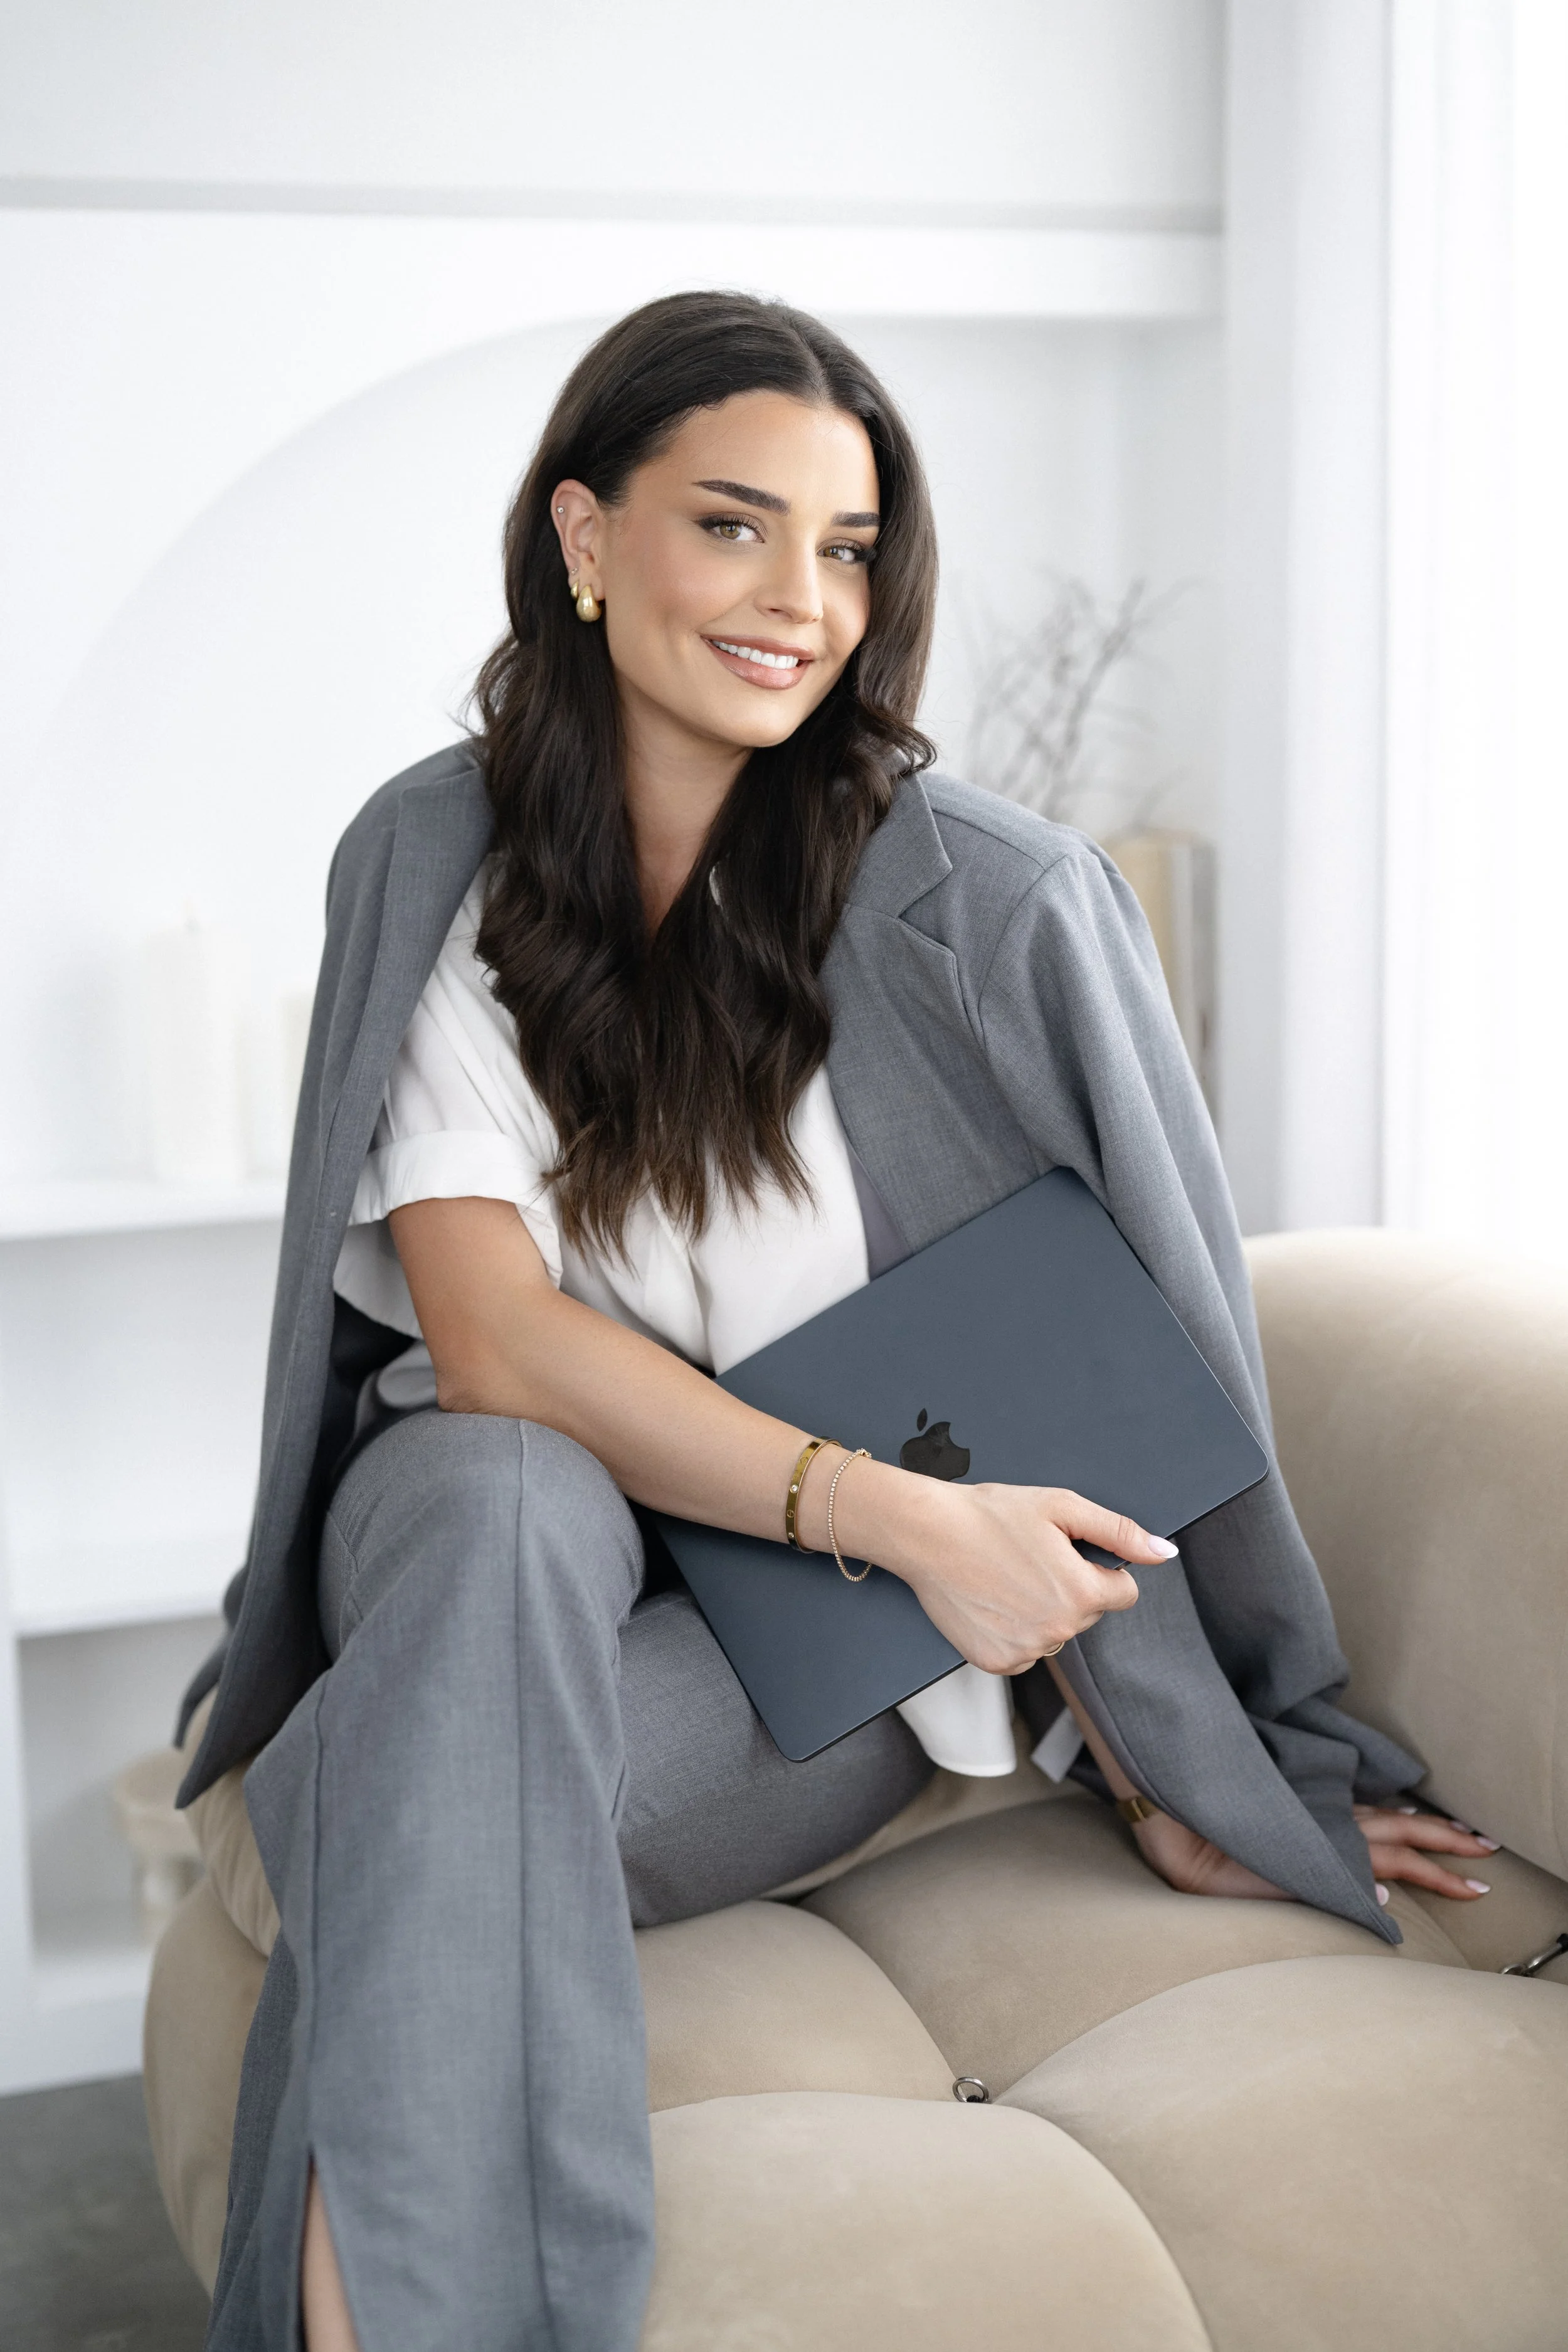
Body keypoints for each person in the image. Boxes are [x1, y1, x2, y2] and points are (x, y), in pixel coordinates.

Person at [179, 292, 1498, 2352]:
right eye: (732, 525)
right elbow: (496, 1336)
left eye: (849, 543)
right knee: (495, 1492)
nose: (801, 598)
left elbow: (1165, 1334)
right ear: (584, 535)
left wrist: (1201, 1749)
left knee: (402, 1781)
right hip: (503, 1509)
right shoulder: (433, 859)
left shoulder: (998, 903)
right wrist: (898, 1515)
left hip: (786, 1646)